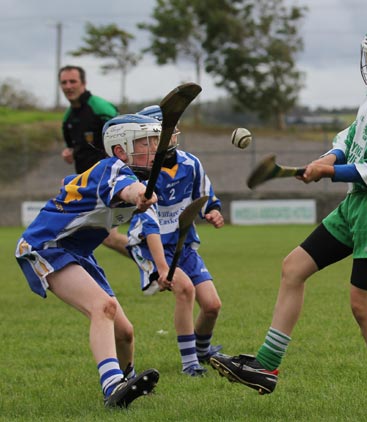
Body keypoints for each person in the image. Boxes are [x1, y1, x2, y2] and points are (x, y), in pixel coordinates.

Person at [210, 21, 367, 408]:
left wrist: (325, 172)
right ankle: (266, 366)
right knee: (293, 267)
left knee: (363, 306)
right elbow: (352, 140)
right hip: (356, 205)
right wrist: (328, 158)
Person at [15, 114, 163, 408]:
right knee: (103, 307)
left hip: (79, 253)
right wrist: (138, 195)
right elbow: (126, 189)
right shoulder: (114, 169)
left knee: (125, 332)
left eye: (155, 142)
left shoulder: (132, 177)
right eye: (145, 143)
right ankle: (112, 388)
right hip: (46, 246)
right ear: (121, 150)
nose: (154, 149)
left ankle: (128, 381)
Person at [127, 105, 224, 376]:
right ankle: (189, 363)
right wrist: (162, 267)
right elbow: (149, 225)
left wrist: (213, 212)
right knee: (184, 290)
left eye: (170, 132)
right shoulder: (142, 174)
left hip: (183, 242)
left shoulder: (191, 163)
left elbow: (205, 197)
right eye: (161, 134)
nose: (170, 137)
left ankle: (202, 352)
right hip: (150, 244)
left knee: (213, 306)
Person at [59, 65, 129, 256]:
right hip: (87, 185)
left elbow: (125, 132)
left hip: (108, 182)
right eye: (64, 82)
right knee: (100, 237)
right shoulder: (69, 117)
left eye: (73, 81)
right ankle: (158, 266)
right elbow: (73, 147)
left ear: (83, 83)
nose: (68, 86)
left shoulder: (99, 107)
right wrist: (69, 152)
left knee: (104, 237)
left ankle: (161, 266)